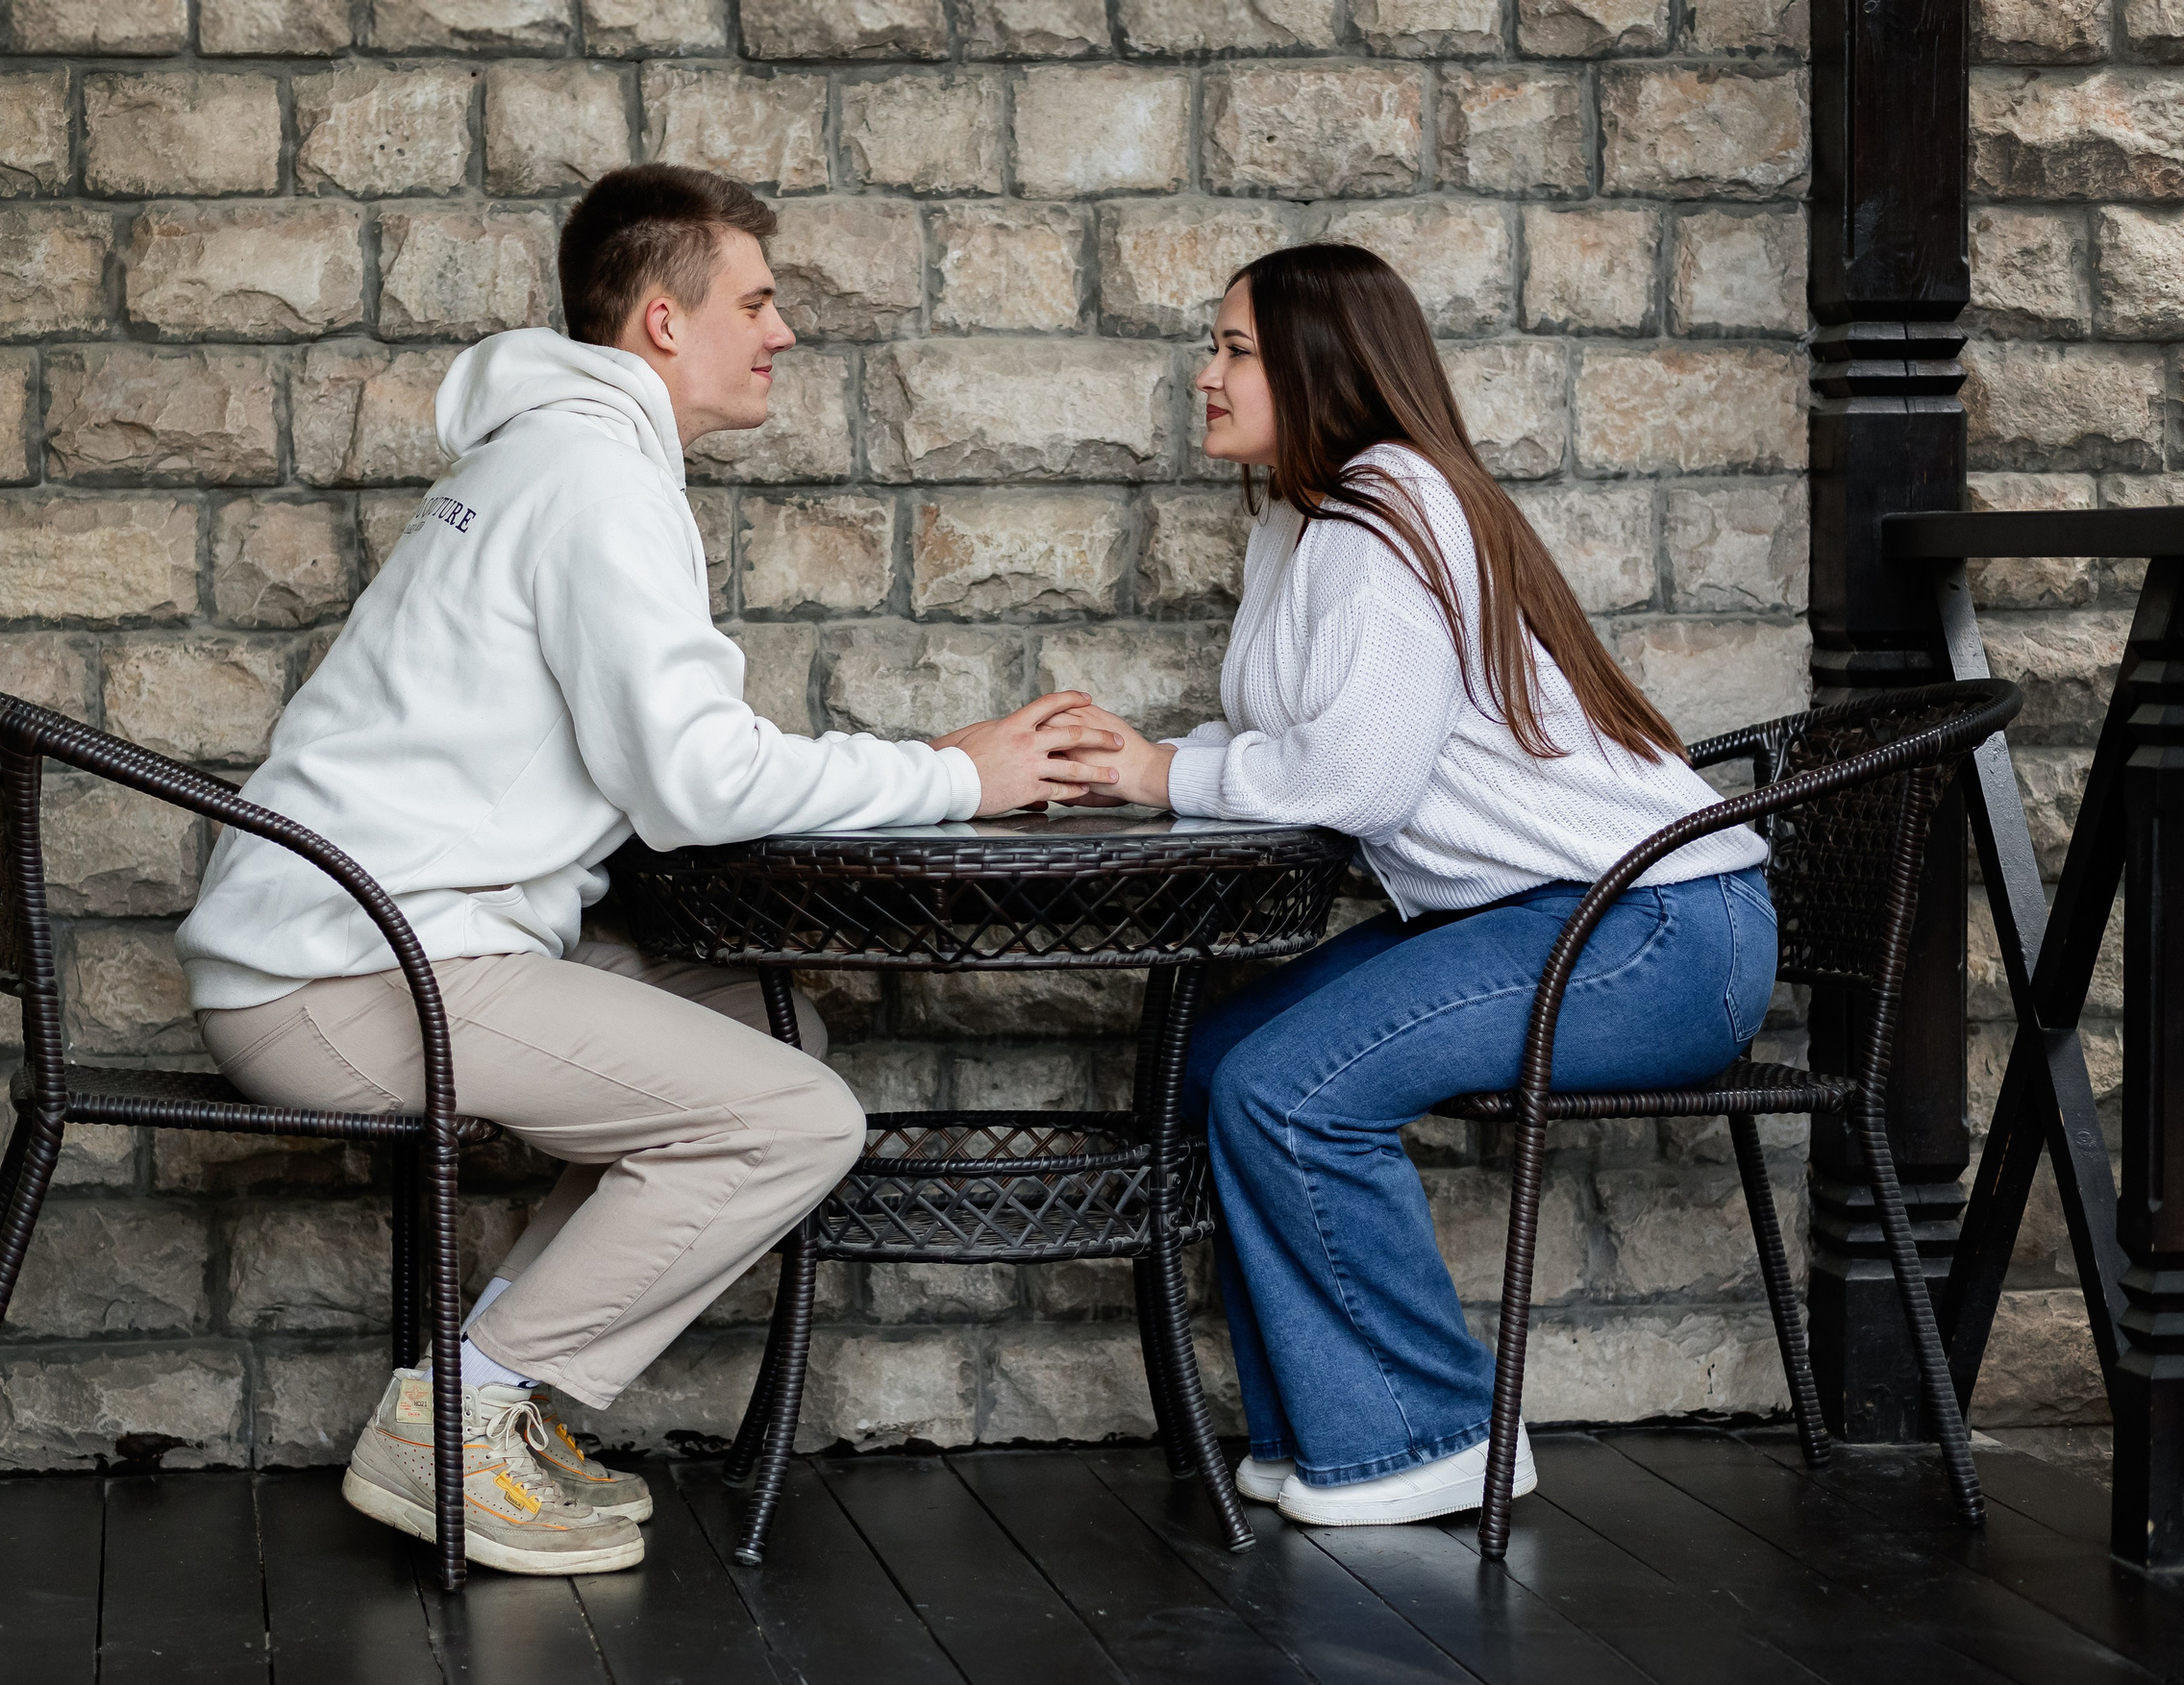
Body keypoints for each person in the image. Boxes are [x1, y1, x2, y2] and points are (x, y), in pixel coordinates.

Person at [174, 163, 1123, 1575]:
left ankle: (481, 1393)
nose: (783, 332)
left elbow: (650, 765)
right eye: (759, 301)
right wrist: (955, 777)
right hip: (350, 977)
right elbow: (696, 785)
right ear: (665, 322)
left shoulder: (548, 457)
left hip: (375, 944)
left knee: (773, 1034)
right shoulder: (595, 480)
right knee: (792, 1120)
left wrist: (912, 767)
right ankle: (460, 1419)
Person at [1052, 244, 1776, 1526]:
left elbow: (1356, 780)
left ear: (1320, 366)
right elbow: (1316, 738)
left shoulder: (1386, 514)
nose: (1204, 375)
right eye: (1213, 347)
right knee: (1215, 1056)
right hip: (1551, 916)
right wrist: (1142, 767)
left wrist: (1168, 773)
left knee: (1288, 1090)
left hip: (1656, 931)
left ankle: (1431, 1432)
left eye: (1236, 351)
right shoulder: (1306, 519)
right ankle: (1322, 1425)